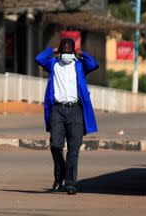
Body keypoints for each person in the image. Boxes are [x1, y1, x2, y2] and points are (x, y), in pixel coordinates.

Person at [35, 37, 99, 195]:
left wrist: (81, 53)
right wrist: (51, 50)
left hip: (75, 110)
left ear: (73, 52)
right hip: (57, 109)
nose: (66, 55)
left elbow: (93, 64)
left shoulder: (80, 66)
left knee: (73, 149)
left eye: (69, 52)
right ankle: (60, 174)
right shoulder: (53, 64)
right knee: (56, 145)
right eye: (64, 52)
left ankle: (69, 183)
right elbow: (39, 59)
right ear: (60, 52)